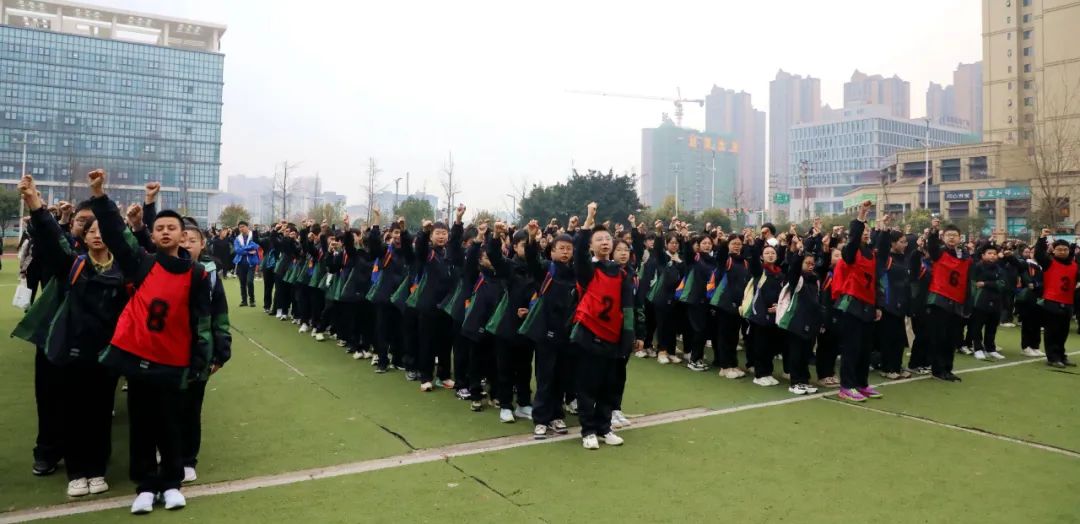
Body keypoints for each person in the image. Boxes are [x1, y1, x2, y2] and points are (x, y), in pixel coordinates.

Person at [87, 169, 212, 514]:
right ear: (152, 235)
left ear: (183, 235)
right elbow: (116, 234)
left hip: (174, 360)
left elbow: (201, 321)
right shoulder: (141, 263)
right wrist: (99, 196)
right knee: (141, 424)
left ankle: (171, 483)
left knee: (171, 424)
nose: (166, 231)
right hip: (139, 358)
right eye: (160, 228)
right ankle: (144, 485)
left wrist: (200, 362)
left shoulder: (197, 274)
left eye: (172, 228)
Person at [19, 175, 125, 497]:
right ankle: (77, 472)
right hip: (74, 352)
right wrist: (36, 205)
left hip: (106, 354)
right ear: (84, 236)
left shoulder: (124, 269)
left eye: (102, 231)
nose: (97, 235)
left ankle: (97, 469)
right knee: (74, 413)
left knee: (100, 414)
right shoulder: (74, 265)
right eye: (91, 231)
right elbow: (53, 240)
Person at [570, 202, 638, 450]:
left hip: (613, 337)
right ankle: (588, 431)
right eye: (598, 239)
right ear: (591, 245)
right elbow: (579, 253)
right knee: (588, 385)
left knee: (608, 386)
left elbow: (627, 309)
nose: (604, 242)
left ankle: (604, 427)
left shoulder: (622, 274)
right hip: (589, 335)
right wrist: (588, 220)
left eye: (607, 239)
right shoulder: (588, 271)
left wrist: (628, 337)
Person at [178, 220, 232, 485]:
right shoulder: (160, 269)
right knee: (165, 405)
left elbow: (220, 314)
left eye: (193, 240)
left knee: (191, 408)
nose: (187, 245)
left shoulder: (210, 275)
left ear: (202, 244)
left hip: (198, 351)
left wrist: (221, 353)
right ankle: (165, 450)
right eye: (183, 239)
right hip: (166, 350)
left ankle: (188, 459)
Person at [521, 230, 577, 439]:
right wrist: (531, 239)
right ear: (552, 252)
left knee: (561, 376)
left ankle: (556, 416)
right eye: (561, 248)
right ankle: (541, 420)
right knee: (545, 377)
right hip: (546, 332)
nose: (565, 252)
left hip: (567, 332)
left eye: (569, 249)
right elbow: (531, 260)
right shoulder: (546, 269)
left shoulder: (575, 272)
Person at [834, 201, 882, 402]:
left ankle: (862, 383)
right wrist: (861, 216)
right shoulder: (850, 252)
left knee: (865, 348)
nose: (866, 233)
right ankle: (847, 386)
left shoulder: (871, 254)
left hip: (868, 305)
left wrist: (877, 306)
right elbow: (853, 238)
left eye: (868, 230)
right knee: (851, 347)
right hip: (852, 304)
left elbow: (875, 281)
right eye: (863, 230)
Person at [924, 220, 972, 383]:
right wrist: (933, 231)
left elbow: (967, 281)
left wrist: (967, 302)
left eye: (955, 235)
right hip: (940, 299)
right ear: (943, 237)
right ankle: (938, 369)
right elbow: (931, 247)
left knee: (952, 337)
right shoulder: (939, 253)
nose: (952, 238)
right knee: (940, 337)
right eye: (948, 235)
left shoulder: (964, 256)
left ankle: (947, 369)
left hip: (957, 301)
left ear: (960, 238)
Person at [776, 235, 822, 395]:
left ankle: (804, 381)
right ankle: (795, 382)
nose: (810, 266)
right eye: (807, 263)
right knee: (796, 353)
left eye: (812, 263)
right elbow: (794, 269)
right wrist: (799, 253)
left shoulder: (815, 281)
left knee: (805, 354)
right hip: (796, 322)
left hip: (810, 323)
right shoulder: (798, 279)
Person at [1034, 229, 1079, 368]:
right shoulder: (1049, 263)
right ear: (1053, 251)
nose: (1062, 252)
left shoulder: (1074, 265)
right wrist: (1042, 237)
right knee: (1052, 331)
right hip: (1052, 301)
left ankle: (1061, 355)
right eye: (1059, 249)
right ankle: (1053, 357)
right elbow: (1038, 254)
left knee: (1063, 332)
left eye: (1065, 249)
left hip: (1068, 302)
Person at [875, 216, 913, 379]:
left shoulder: (904, 258)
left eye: (905, 242)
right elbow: (882, 246)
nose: (905, 244)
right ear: (893, 243)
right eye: (902, 242)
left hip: (901, 304)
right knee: (888, 338)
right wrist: (884, 229)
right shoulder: (885, 258)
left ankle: (897, 366)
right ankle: (887, 368)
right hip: (888, 304)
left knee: (899, 339)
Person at [970, 244, 1006, 361]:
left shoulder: (999, 269)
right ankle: (978, 349)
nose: (992, 256)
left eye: (994, 254)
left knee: (992, 327)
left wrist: (985, 284)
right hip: (980, 301)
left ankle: (991, 349)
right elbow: (974, 284)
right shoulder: (977, 267)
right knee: (977, 326)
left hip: (996, 301)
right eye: (989, 253)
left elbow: (1002, 284)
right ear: (983, 255)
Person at [233, 221, 260, 307]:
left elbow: (255, 246)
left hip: (251, 263)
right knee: (242, 283)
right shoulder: (237, 238)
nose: (241, 228)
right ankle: (244, 301)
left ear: (247, 227)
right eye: (240, 227)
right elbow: (237, 250)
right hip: (241, 263)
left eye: (243, 226)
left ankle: (252, 300)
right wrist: (248, 251)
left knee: (250, 282)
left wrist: (243, 248)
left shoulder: (253, 236)